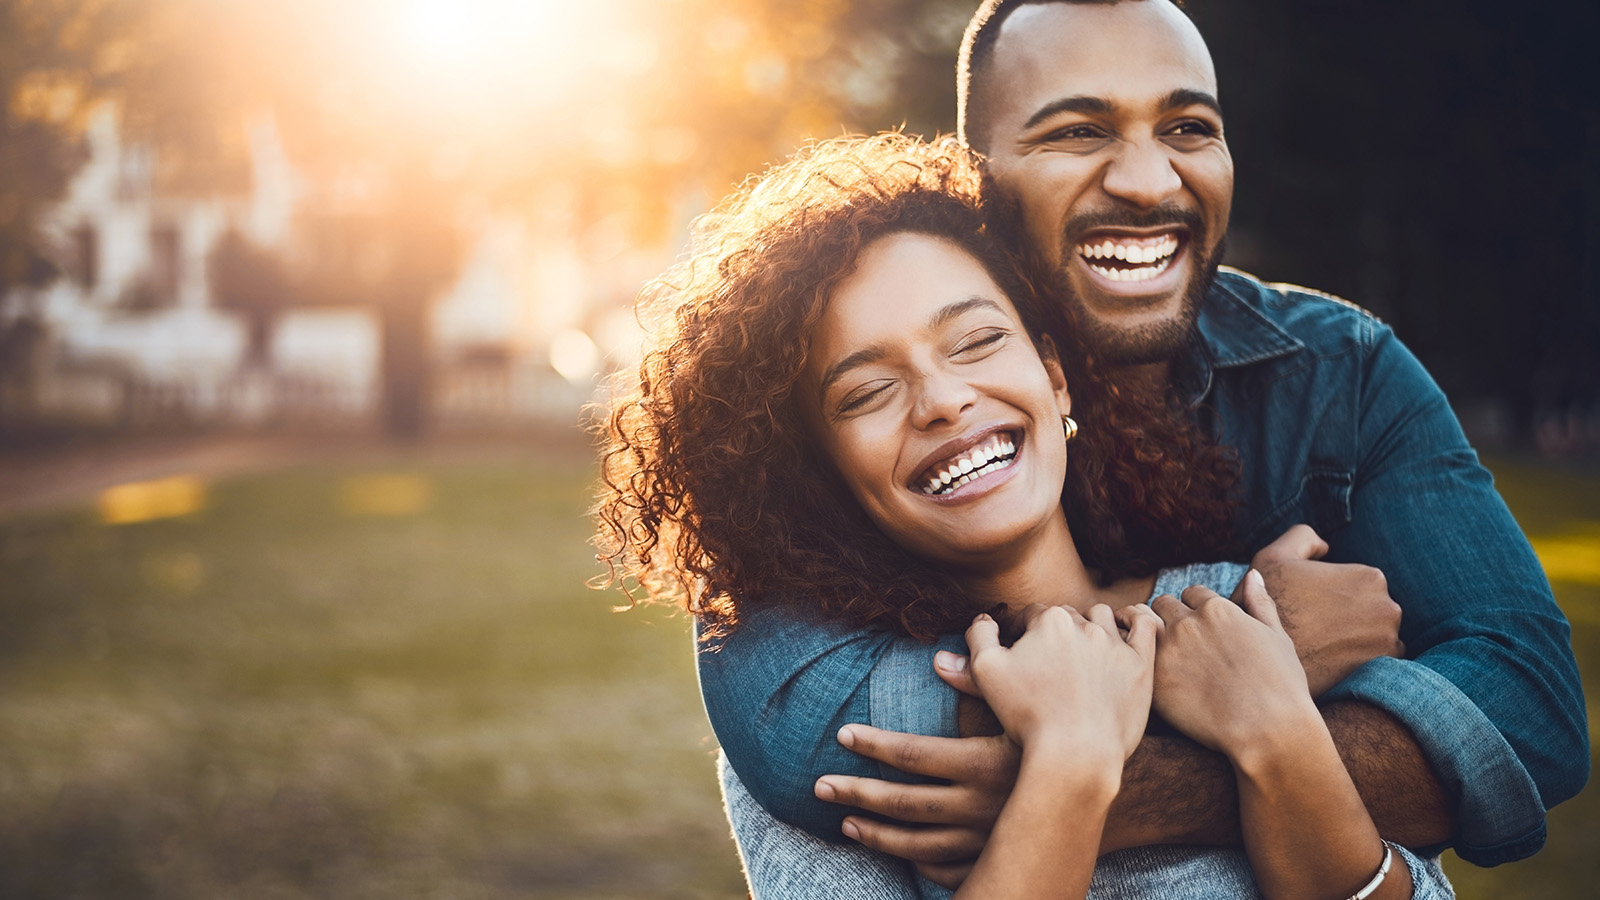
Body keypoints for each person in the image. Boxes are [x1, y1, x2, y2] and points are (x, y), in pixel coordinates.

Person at [696, 0, 1587, 890]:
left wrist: (1169, 773)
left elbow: (1528, 714)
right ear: (975, 179)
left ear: (1055, 381)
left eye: (1189, 127)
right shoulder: (817, 402)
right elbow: (800, 732)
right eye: (1079, 131)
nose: (1151, 182)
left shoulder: (1338, 372)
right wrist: (1247, 636)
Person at [595, 132, 1449, 898]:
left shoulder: (1245, 616)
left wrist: (1277, 735)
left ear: (1056, 378)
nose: (942, 399)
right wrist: (1070, 768)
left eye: (975, 341)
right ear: (821, 475)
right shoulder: (845, 743)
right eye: (867, 391)